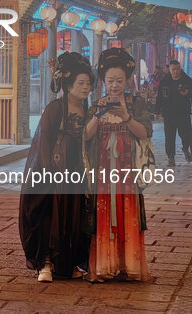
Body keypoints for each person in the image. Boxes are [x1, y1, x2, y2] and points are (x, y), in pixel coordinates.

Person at [19, 52, 94, 283]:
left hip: (77, 173)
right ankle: (46, 263)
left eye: (88, 83)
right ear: (68, 84)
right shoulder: (54, 108)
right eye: (81, 83)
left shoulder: (89, 111)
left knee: (74, 218)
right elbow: (44, 141)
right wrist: (47, 171)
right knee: (50, 217)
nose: (86, 88)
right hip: (53, 173)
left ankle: (67, 263)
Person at [84, 48, 151, 282]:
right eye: (110, 80)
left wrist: (126, 116)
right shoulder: (96, 103)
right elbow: (86, 136)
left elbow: (145, 132)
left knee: (128, 213)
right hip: (103, 172)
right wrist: (98, 114)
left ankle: (129, 265)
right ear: (103, 80)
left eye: (119, 80)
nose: (114, 85)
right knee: (103, 214)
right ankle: (104, 266)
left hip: (128, 171)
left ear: (128, 80)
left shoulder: (136, 103)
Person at [156, 60, 192, 166]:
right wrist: (157, 111)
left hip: (183, 114)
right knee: (169, 137)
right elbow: (160, 98)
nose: (176, 72)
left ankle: (185, 149)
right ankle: (171, 157)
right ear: (170, 70)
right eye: (173, 69)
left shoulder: (187, 81)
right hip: (169, 114)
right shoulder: (164, 82)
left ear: (180, 68)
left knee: (187, 135)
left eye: (177, 69)